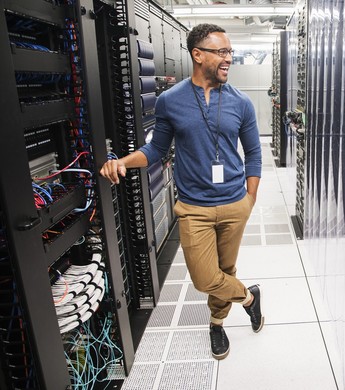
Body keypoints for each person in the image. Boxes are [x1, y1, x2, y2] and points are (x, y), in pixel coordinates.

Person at [100, 23, 263, 360]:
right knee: (206, 278)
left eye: (230, 52)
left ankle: (217, 324)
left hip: (234, 203)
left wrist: (249, 200)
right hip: (193, 208)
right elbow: (156, 149)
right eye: (221, 52)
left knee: (226, 272)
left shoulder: (241, 102)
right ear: (197, 54)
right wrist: (123, 162)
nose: (228, 58)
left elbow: (254, 154)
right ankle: (249, 297)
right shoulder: (170, 101)